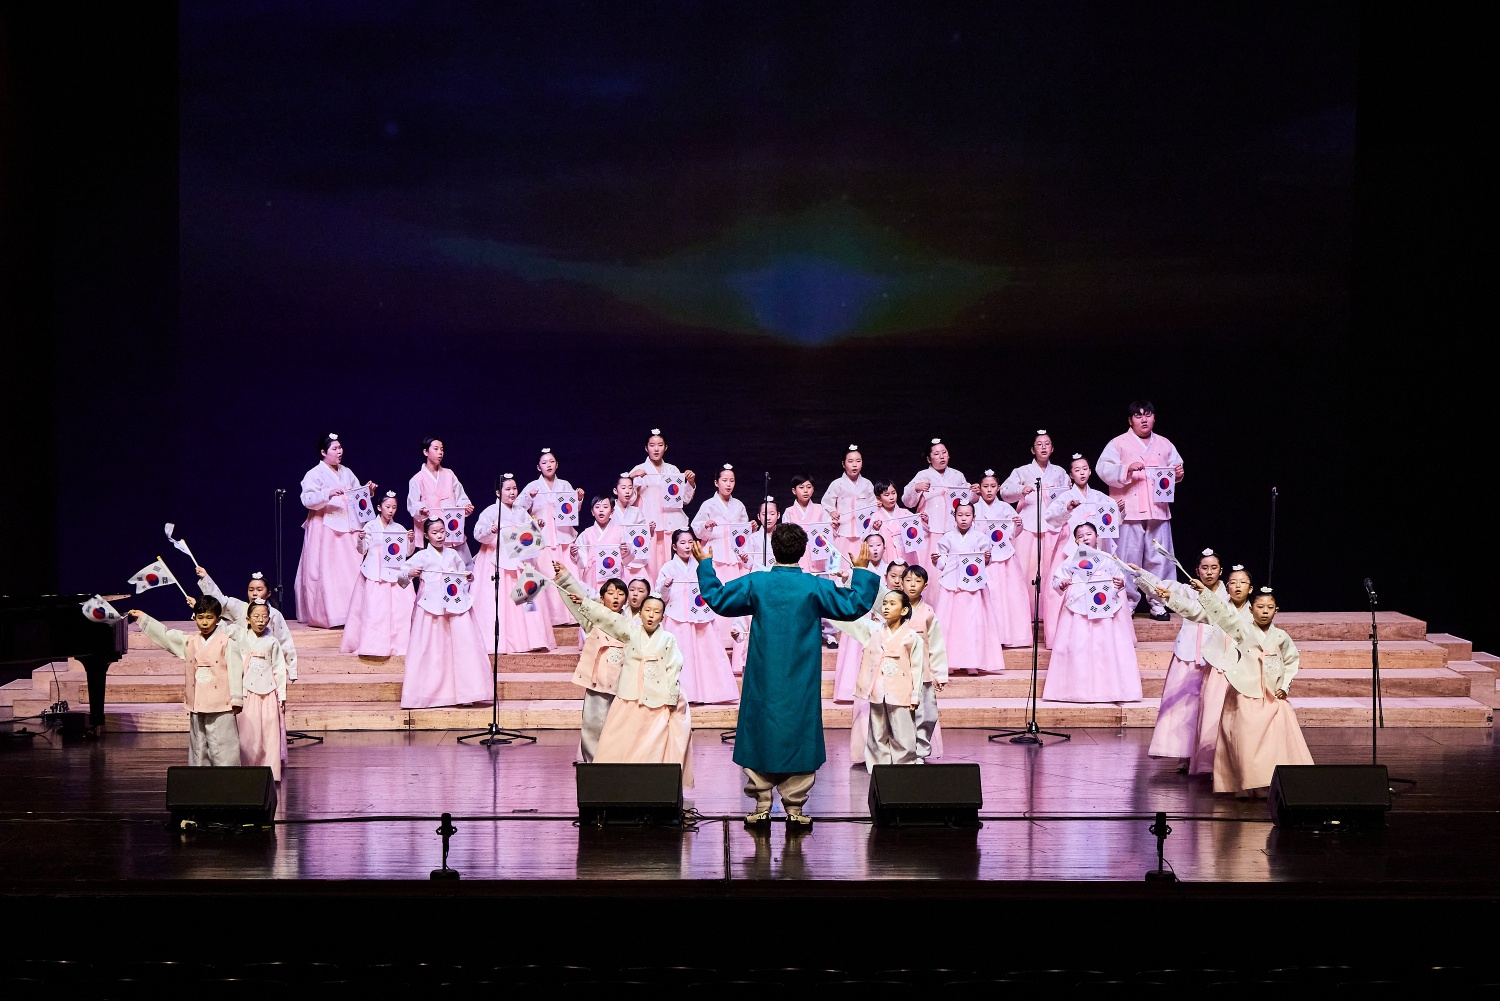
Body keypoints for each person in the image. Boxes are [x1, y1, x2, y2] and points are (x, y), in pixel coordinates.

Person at [695, 525, 880, 828]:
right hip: (800, 673)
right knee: (799, 728)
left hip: (764, 672)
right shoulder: (813, 586)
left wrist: (705, 564)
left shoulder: (758, 582)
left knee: (761, 727)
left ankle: (761, 805)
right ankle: (795, 807)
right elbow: (853, 604)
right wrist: (861, 570)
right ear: (803, 551)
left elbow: (717, 597)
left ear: (773, 548)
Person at [1184, 582, 1314, 797]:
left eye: (1269, 607)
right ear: (1251, 610)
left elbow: (1291, 660)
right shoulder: (1242, 629)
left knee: (1274, 741)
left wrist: (1284, 686)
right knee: (1245, 741)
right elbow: (1223, 613)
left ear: (1276, 610)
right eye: (1260, 607)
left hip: (1271, 695)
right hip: (1244, 692)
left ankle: (1267, 782)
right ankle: (1244, 783)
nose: (1265, 612)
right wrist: (1205, 593)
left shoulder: (1280, 636)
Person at [561, 587, 692, 787]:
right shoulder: (630, 631)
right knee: (621, 739)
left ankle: (651, 784)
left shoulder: (668, 639)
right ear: (640, 613)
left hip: (658, 697)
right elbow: (609, 619)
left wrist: (671, 697)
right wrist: (586, 604)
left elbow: (674, 667)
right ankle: (614, 783)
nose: (651, 615)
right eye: (647, 610)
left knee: (654, 743)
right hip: (629, 696)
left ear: (662, 617)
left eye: (656, 612)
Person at [1160, 563, 1256, 776]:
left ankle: (1240, 766)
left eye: (1242, 583)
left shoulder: (1255, 612)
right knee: (1212, 719)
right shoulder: (1219, 610)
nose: (1237, 586)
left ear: (1250, 588)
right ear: (1227, 587)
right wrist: (1171, 598)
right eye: (1233, 582)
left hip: (1243, 675)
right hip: (1219, 673)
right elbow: (1194, 610)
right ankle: (1213, 765)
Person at [1096, 401, 1184, 620]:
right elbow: (1102, 469)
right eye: (1138, 416)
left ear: (1154, 417)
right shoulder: (1118, 443)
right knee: (1127, 558)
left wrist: (1178, 473)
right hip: (1129, 511)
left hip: (1158, 510)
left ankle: (1159, 603)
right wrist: (1126, 469)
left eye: (1148, 415)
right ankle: (1126, 602)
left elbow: (1176, 468)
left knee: (1160, 559)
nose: (1144, 420)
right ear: (1130, 420)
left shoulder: (1164, 444)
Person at [1140, 549, 1228, 768]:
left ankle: (1211, 756)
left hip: (1216, 657)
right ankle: (1184, 754)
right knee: (1184, 706)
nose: (1209, 572)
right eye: (1205, 568)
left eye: (1214, 568)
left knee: (1211, 707)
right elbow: (1160, 588)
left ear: (1221, 571)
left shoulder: (1227, 595)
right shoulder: (1187, 591)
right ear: (1197, 571)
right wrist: (1141, 574)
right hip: (1187, 655)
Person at [129, 596, 242, 766]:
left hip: (221, 703)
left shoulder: (227, 643)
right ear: (194, 618)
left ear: (218, 619)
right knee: (199, 746)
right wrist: (143, 618)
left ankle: (228, 779)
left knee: (224, 746)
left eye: (209, 618)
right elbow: (167, 636)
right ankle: (199, 779)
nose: (205, 622)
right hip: (197, 701)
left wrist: (236, 699)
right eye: (200, 617)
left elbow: (235, 671)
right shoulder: (190, 641)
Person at [397, 519, 493, 709]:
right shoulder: (422, 555)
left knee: (462, 648)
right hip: (431, 607)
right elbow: (401, 575)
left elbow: (463, 575)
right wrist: (411, 573)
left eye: (442, 531)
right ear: (426, 536)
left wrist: (467, 577)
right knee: (431, 650)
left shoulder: (453, 554)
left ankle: (465, 693)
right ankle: (428, 695)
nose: (439, 535)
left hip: (454, 606)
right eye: (434, 533)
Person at [1043, 523, 1143, 703]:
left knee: (1107, 647)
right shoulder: (1072, 560)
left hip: (1105, 607)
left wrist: (1120, 584)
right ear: (1076, 541)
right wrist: (1062, 583)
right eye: (1080, 536)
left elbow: (1119, 577)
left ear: (1097, 536)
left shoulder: (1107, 558)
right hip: (1078, 607)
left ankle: (1111, 690)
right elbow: (1057, 580)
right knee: (1078, 647)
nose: (1085, 538)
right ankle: (1076, 691)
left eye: (1089, 534)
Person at [830, 589, 925, 769]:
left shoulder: (912, 637)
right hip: (877, 689)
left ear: (904, 610)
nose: (886, 607)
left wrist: (915, 695)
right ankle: (879, 768)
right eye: (885, 603)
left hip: (901, 691)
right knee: (877, 731)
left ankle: (905, 767)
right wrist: (827, 608)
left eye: (892, 604)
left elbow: (917, 668)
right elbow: (850, 623)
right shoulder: (873, 630)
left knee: (903, 731)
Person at [294, 432, 375, 628]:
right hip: (325, 527)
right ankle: (328, 614)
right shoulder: (314, 474)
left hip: (348, 526)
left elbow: (357, 495)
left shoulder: (347, 472)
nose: (339, 452)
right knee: (327, 571)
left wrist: (367, 492)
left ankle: (353, 614)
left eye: (340, 448)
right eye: (334, 449)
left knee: (352, 569)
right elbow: (307, 500)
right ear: (324, 452)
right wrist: (327, 493)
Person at [472, 474, 555, 655]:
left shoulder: (521, 511)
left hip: (521, 559)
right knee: (499, 601)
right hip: (497, 560)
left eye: (514, 489)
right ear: (498, 492)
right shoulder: (490, 512)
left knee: (528, 599)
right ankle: (502, 641)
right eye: (508, 489)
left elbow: (530, 536)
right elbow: (478, 534)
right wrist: (490, 530)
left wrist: (536, 526)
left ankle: (534, 639)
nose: (512, 492)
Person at [553, 566, 630, 763]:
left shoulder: (630, 622)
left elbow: (609, 620)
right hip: (599, 678)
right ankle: (594, 763)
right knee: (593, 722)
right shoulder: (593, 619)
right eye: (610, 593)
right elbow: (580, 602)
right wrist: (564, 577)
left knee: (621, 724)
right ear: (601, 598)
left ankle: (621, 761)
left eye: (621, 594)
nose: (616, 597)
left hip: (623, 680)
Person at [931, 501, 1020, 671]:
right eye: (960, 515)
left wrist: (986, 559)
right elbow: (942, 560)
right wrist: (937, 560)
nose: (964, 518)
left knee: (973, 624)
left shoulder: (981, 538)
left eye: (967, 515)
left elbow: (986, 561)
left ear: (974, 517)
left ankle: (973, 662)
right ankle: (949, 662)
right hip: (952, 585)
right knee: (950, 624)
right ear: (954, 517)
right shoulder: (947, 537)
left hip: (973, 586)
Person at [655, 529, 740, 704]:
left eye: (690, 542)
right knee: (680, 656)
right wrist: (665, 586)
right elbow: (661, 596)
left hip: (701, 618)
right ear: (674, 547)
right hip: (677, 618)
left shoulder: (700, 565)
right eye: (682, 543)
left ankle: (713, 694)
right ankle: (682, 694)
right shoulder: (668, 567)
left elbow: (712, 586)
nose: (687, 546)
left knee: (707, 656)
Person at [1040, 453, 1118, 644]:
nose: (1081, 473)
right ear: (1071, 475)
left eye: (1084, 469)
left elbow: (1112, 523)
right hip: (1071, 548)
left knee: (1101, 586)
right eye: (1077, 470)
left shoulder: (1100, 497)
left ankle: (1102, 634)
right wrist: (1067, 508)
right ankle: (1061, 636)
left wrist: (1119, 511)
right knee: (1064, 588)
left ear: (1090, 472)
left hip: (1096, 549)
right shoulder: (1065, 497)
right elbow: (1050, 518)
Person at [341, 491, 416, 657]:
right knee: (373, 612)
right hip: (374, 573)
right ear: (379, 507)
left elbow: (407, 553)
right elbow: (362, 550)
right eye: (388, 507)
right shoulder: (370, 526)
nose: (391, 510)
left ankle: (398, 644)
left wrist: (410, 540)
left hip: (394, 574)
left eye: (394, 507)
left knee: (398, 613)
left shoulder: (399, 528)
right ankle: (372, 645)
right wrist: (361, 539)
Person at [1000, 430, 1071, 603]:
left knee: (1050, 568)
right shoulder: (1022, 471)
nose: (1043, 447)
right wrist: (1020, 490)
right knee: (1027, 569)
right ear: (1033, 450)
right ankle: (1027, 607)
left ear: (1052, 448)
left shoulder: (1060, 472)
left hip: (1053, 527)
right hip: (1029, 526)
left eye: (1047, 444)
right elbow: (1004, 492)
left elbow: (1067, 495)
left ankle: (1048, 608)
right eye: (1039, 444)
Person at [518, 448, 586, 626]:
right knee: (548, 577)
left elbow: (573, 511)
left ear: (557, 464)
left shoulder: (564, 485)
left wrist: (578, 499)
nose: (548, 465)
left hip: (564, 536)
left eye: (551, 461)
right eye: (544, 462)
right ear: (538, 467)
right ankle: (552, 618)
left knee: (569, 575)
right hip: (543, 539)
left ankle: (573, 616)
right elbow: (517, 510)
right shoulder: (532, 486)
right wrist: (529, 498)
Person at [690, 465, 754, 652]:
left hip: (734, 558)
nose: (728, 484)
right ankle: (714, 640)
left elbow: (743, 534)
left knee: (733, 597)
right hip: (715, 555)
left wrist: (750, 528)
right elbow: (696, 528)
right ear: (716, 483)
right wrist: (707, 526)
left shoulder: (739, 505)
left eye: (731, 481)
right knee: (716, 595)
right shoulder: (708, 504)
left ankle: (733, 639)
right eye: (724, 480)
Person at [195, 568, 298, 681]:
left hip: (266, 665)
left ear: (268, 593)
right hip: (242, 663)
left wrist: (292, 670)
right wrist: (205, 578)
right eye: (251, 590)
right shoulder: (240, 608)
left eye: (259, 590)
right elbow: (221, 602)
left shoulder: (274, 614)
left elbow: (285, 641)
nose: (254, 593)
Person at [971, 470, 1031, 646]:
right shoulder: (974, 509)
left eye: (993, 486)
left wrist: (1017, 525)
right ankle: (987, 637)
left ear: (998, 488)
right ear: (979, 488)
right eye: (985, 486)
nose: (989, 490)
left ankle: (1010, 635)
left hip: (1005, 558)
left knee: (1009, 595)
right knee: (990, 595)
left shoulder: (1005, 507)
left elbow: (1012, 533)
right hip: (983, 558)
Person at [230, 599, 289, 780]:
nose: (261, 620)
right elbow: (220, 629)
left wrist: (281, 695)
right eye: (256, 616)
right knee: (248, 734)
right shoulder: (240, 635)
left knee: (271, 734)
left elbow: (279, 669)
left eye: (264, 617)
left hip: (269, 692)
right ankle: (248, 772)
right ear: (248, 619)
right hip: (247, 691)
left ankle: (271, 773)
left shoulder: (272, 641)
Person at [627, 428, 695, 578]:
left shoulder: (672, 469)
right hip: (650, 524)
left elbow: (684, 499)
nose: (656, 449)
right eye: (652, 445)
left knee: (672, 564)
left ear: (666, 447)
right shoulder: (639, 469)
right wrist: (631, 479)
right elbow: (628, 500)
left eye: (660, 445)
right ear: (646, 448)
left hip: (671, 523)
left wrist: (690, 482)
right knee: (651, 565)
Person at [903, 565, 950, 760]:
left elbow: (936, 645)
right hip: (898, 672)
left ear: (925, 585)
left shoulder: (928, 613)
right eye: (908, 580)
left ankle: (920, 751)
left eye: (917, 581)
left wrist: (939, 674)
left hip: (922, 672)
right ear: (901, 584)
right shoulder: (894, 608)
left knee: (926, 713)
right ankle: (901, 752)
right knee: (900, 714)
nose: (912, 585)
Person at [407, 436, 475, 565]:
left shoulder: (449, 474)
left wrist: (465, 506)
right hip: (432, 531)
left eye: (442, 449)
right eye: (436, 449)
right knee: (433, 570)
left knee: (462, 568)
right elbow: (412, 505)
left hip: (452, 528)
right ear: (426, 452)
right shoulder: (417, 479)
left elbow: (460, 496)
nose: (440, 453)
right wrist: (420, 510)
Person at [903, 438, 977, 543]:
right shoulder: (923, 475)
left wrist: (975, 492)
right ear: (929, 459)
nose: (942, 456)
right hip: (930, 525)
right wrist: (915, 488)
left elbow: (968, 500)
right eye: (936, 454)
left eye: (944, 452)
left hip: (954, 525)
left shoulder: (957, 475)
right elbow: (908, 502)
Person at [821, 445, 876, 561]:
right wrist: (832, 512)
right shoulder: (837, 484)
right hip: (843, 531)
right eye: (850, 461)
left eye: (858, 461)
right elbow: (826, 503)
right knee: (843, 563)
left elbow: (873, 505)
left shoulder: (867, 484)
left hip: (863, 531)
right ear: (843, 464)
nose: (855, 465)